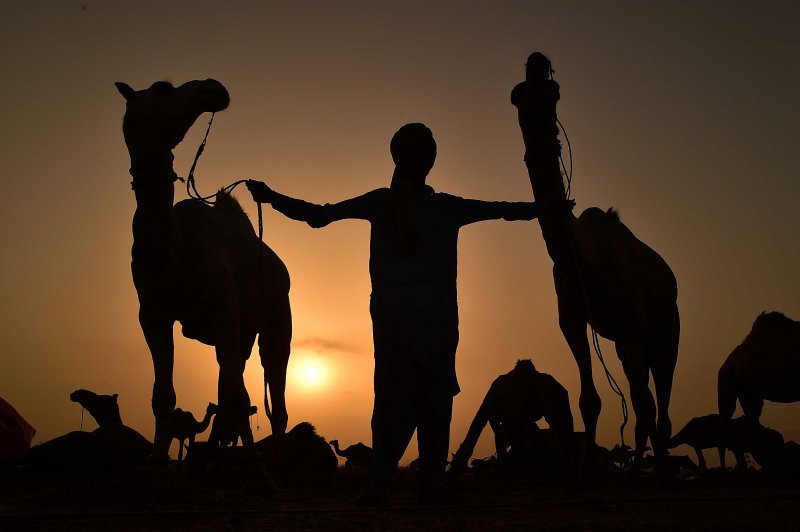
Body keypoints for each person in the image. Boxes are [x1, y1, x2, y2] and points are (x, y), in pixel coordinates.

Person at [246, 123, 574, 503]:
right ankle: (383, 484)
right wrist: (271, 198)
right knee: (394, 401)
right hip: (397, 323)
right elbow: (319, 215)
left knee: (431, 401)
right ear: (404, 157)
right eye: (416, 151)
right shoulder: (388, 203)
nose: (421, 158)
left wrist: (545, 208)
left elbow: (505, 211)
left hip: (435, 324)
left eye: (425, 151)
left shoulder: (443, 206)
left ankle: (422, 482)